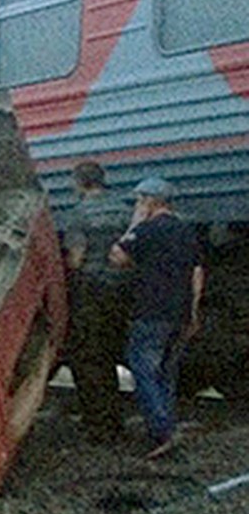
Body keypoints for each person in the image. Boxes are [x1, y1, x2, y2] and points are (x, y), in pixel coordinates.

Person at [108, 175, 204, 458]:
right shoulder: (186, 230)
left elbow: (117, 257)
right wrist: (194, 311)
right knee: (166, 374)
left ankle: (162, 432)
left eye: (139, 200)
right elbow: (198, 272)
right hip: (180, 312)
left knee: (143, 369)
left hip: (151, 311)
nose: (137, 205)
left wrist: (134, 224)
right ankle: (165, 426)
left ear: (150, 201)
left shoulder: (147, 230)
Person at [62, 162, 131, 442]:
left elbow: (76, 259)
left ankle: (99, 425)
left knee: (90, 359)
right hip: (122, 290)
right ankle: (117, 418)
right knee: (114, 352)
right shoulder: (124, 210)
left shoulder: (79, 215)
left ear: (79, 182)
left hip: (92, 293)